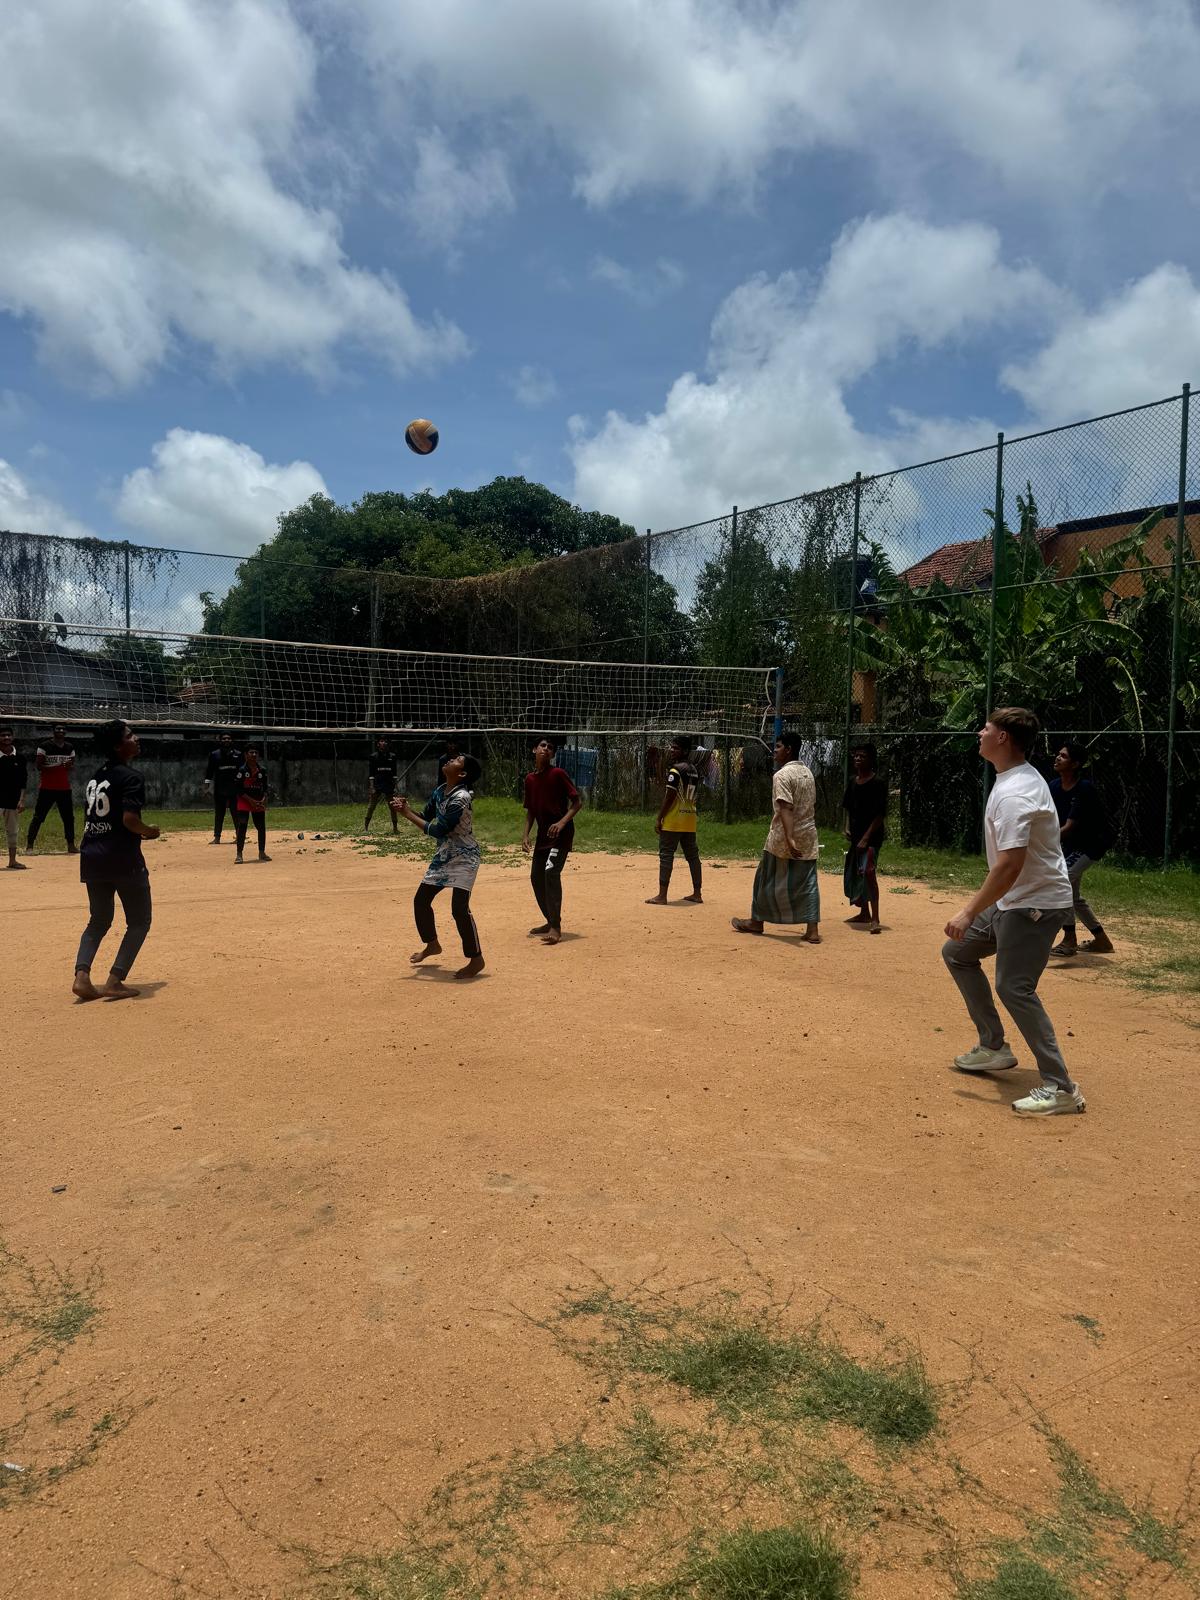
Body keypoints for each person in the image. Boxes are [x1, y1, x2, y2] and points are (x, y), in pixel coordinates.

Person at [942, 707, 1085, 1118]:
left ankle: (1061, 1087)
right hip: (1016, 899)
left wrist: (970, 911)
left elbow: (1010, 864)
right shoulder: (1014, 778)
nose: (980, 733)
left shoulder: (1014, 792)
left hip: (1035, 903)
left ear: (1003, 738)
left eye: (986, 728)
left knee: (1013, 987)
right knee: (958, 953)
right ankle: (993, 1047)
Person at [73, 719, 158, 1001]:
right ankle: (114, 980)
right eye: (130, 735)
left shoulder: (96, 777)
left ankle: (82, 977)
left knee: (98, 920)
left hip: (92, 856)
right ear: (118, 746)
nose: (137, 738)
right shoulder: (131, 777)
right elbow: (130, 820)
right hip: (122, 858)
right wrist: (150, 832)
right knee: (140, 920)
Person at [391, 752, 485, 979]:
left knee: (459, 909)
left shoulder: (461, 798)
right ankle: (432, 944)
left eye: (456, 761)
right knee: (421, 901)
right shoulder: (441, 790)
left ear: (462, 773)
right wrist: (406, 808)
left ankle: (476, 959)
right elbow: (426, 815)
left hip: (465, 857)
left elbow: (437, 830)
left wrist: (405, 815)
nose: (451, 760)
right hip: (445, 855)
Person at [731, 731, 821, 943]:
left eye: (778, 746)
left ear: (789, 749)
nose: (775, 751)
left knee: (765, 878)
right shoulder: (807, 772)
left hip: (783, 836)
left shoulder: (781, 775)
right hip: (808, 834)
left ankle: (756, 921)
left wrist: (789, 838)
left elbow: (786, 808)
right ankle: (813, 930)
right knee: (808, 882)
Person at [1049, 741, 1114, 957]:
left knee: (1063, 881)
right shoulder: (1054, 786)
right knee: (1073, 897)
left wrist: (1039, 841)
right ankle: (1102, 941)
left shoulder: (1084, 789)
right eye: (1058, 754)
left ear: (1076, 764)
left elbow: (1068, 827)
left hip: (1092, 844)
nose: (1058, 758)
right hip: (1072, 846)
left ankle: (1069, 940)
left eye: (1064, 756)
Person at [521, 736, 582, 944]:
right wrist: (525, 834)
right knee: (536, 877)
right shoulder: (530, 779)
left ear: (553, 754)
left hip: (560, 834)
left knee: (550, 873)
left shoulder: (558, 774)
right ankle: (549, 919)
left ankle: (556, 927)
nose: (546, 749)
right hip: (543, 836)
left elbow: (577, 802)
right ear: (534, 750)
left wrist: (562, 823)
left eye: (550, 748)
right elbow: (530, 811)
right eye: (542, 746)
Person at [646, 734, 702, 906]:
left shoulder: (676, 770)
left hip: (674, 820)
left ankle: (662, 896)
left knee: (666, 855)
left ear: (685, 751)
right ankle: (697, 893)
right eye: (672, 747)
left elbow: (669, 798)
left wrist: (659, 818)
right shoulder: (694, 769)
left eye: (675, 748)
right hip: (689, 819)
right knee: (693, 856)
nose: (672, 750)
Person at [842, 742, 887, 934]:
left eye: (862, 756)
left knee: (868, 871)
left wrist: (866, 838)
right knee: (856, 873)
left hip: (872, 837)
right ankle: (864, 912)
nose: (857, 759)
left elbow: (880, 814)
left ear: (871, 760)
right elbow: (847, 808)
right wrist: (846, 827)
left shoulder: (878, 783)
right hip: (856, 835)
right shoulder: (853, 782)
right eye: (856, 756)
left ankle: (875, 917)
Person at [26, 723, 77, 853]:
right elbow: (39, 766)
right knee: (39, 817)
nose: (60, 731)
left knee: (68, 818)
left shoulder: (70, 747)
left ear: (66, 732)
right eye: (58, 729)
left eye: (63, 729)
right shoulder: (44, 746)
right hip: (47, 788)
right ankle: (29, 846)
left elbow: (71, 766)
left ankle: (71, 845)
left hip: (64, 788)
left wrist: (68, 766)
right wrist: (58, 766)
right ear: (53, 731)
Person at [233, 745, 271, 864]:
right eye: (251, 752)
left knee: (261, 827)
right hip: (244, 800)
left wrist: (264, 799)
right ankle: (239, 854)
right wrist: (251, 801)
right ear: (246, 755)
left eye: (256, 752)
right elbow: (239, 789)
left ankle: (262, 852)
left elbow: (265, 788)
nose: (254, 755)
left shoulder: (262, 770)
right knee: (242, 824)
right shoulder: (242, 771)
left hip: (258, 801)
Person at [203, 732, 243, 844]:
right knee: (219, 814)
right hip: (220, 788)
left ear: (232, 740)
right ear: (220, 740)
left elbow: (242, 771)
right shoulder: (214, 755)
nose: (226, 740)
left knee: (236, 814)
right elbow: (209, 771)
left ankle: (239, 836)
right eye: (224, 738)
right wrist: (206, 787)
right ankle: (217, 837)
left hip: (234, 789)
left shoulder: (238, 754)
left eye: (228, 738)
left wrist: (243, 786)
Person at [1, 725, 28, 871]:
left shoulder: (20, 758)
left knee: (13, 831)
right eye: (3, 735)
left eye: (8, 735)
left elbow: (23, 781)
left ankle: (12, 861)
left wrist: (22, 800)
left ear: (12, 737)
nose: (6, 738)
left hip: (13, 800)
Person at [364, 736, 400, 834]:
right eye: (381, 741)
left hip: (389, 784)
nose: (383, 743)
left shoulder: (392, 756)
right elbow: (371, 774)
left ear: (388, 744)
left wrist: (396, 787)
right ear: (378, 744)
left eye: (385, 741)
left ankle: (395, 828)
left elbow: (394, 774)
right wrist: (372, 787)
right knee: (371, 806)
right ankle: (365, 827)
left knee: (393, 807)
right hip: (378, 784)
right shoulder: (373, 756)